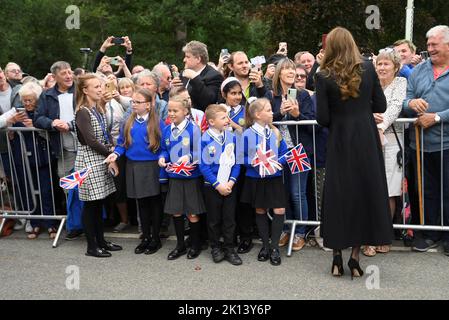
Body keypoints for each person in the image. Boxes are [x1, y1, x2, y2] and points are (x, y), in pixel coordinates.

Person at [315, 27, 392, 278]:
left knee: (339, 193)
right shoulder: (368, 68)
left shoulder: (323, 74)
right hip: (365, 139)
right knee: (363, 192)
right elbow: (380, 105)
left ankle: (336, 257)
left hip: (339, 138)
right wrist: (362, 108)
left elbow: (322, 118)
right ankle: (355, 259)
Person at [402, 25, 449, 256]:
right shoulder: (419, 70)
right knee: (424, 191)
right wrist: (411, 104)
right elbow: (406, 98)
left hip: (447, 144)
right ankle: (428, 233)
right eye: (428, 44)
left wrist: (438, 117)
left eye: (434, 45)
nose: (429, 49)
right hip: (419, 145)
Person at [106, 88, 165, 254]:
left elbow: (164, 146)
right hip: (134, 166)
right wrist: (115, 155)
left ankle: (155, 238)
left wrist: (162, 157)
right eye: (132, 101)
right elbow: (121, 144)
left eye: (137, 102)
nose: (133, 104)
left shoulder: (157, 122)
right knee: (141, 203)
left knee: (154, 203)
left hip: (152, 166)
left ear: (148, 105)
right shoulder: (128, 122)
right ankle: (145, 237)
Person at [266, 58, 315, 252]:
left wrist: (296, 115)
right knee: (283, 193)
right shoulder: (271, 95)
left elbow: (313, 120)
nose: (291, 72)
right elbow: (266, 119)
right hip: (279, 152)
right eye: (286, 68)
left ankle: (300, 232)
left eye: (292, 69)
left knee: (297, 193)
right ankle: (286, 229)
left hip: (299, 151)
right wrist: (278, 113)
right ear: (279, 73)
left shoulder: (302, 95)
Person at [363, 48, 407, 257]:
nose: (381, 67)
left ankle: (383, 235)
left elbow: (396, 106)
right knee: (370, 187)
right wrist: (371, 121)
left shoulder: (401, 83)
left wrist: (380, 127)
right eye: (379, 63)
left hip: (391, 140)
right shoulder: (369, 83)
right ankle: (368, 237)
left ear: (396, 66)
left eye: (386, 63)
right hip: (368, 139)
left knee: (388, 190)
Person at [74, 73, 121, 258]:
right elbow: (91, 140)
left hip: (101, 159)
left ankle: (101, 241)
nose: (101, 89)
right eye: (96, 87)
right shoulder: (82, 112)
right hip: (89, 160)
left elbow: (105, 134)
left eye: (101, 86)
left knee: (99, 202)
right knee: (91, 204)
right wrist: (111, 154)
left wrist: (112, 155)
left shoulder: (98, 109)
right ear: (85, 90)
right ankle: (92, 246)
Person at [241, 98, 288, 266]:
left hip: (274, 177)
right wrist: (254, 161)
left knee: (279, 209)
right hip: (256, 177)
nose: (272, 113)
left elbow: (285, 152)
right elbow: (242, 156)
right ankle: (265, 246)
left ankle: (275, 247)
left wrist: (277, 163)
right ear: (257, 114)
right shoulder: (247, 134)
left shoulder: (275, 132)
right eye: (268, 110)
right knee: (260, 209)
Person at [158, 95, 206, 260]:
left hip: (191, 176)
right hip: (174, 176)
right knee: (176, 212)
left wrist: (190, 157)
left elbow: (200, 151)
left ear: (185, 111)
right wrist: (162, 157)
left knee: (192, 213)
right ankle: (180, 245)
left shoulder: (194, 129)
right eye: (169, 110)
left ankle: (195, 244)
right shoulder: (166, 130)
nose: (171, 113)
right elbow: (164, 148)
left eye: (175, 110)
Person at [10, 82, 57, 239]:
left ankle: (51, 224)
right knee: (29, 191)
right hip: (23, 158)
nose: (27, 103)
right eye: (24, 100)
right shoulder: (17, 113)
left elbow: (49, 130)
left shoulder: (41, 113)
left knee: (46, 190)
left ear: (37, 99)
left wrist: (35, 127)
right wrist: (10, 123)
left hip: (42, 157)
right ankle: (35, 223)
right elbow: (10, 134)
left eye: (30, 100)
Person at [199, 104, 242, 265]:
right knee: (214, 219)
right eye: (223, 118)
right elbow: (203, 166)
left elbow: (237, 163)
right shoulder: (204, 139)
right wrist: (218, 185)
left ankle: (230, 248)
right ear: (211, 121)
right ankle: (215, 247)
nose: (227, 120)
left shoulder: (231, 138)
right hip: (213, 186)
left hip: (230, 185)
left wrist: (231, 182)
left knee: (229, 218)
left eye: (227, 117)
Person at [171, 40, 223, 111]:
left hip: (200, 119)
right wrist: (174, 88)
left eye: (187, 57)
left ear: (198, 59)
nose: (184, 60)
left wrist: (195, 78)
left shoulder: (214, 76)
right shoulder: (184, 73)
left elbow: (209, 101)